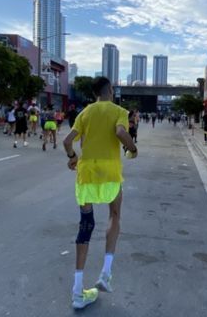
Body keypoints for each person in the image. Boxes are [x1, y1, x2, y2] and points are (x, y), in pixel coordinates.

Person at [63, 77, 138, 310]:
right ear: (111, 90)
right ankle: (105, 272)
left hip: (86, 174)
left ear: (95, 93)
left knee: (85, 225)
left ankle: (77, 291)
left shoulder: (85, 112)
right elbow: (119, 132)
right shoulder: (119, 111)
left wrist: (73, 157)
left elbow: (67, 141)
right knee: (114, 215)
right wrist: (132, 147)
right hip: (110, 174)